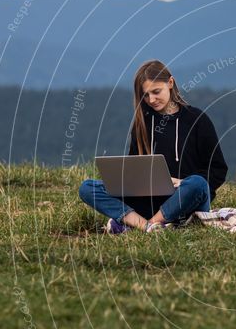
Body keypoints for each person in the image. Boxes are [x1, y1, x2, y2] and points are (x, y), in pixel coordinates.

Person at [78, 60, 228, 233]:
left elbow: (218, 170)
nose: (151, 100)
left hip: (186, 200)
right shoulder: (142, 124)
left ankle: (145, 224)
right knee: (87, 188)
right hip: (150, 199)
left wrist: (181, 183)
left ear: (170, 83)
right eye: (146, 95)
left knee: (198, 183)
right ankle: (148, 226)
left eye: (156, 92)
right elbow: (135, 170)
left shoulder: (197, 120)